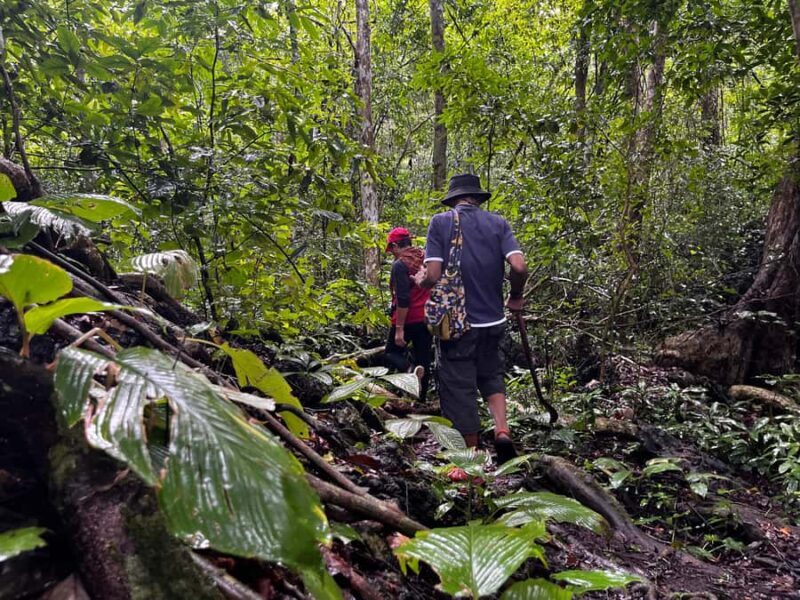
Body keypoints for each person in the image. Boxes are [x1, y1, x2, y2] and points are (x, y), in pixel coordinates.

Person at [419, 174, 528, 464]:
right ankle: (502, 430)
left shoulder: (441, 222)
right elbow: (518, 265)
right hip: (493, 321)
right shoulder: (498, 224)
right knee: (491, 374)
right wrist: (515, 295)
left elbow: (432, 275)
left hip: (457, 322)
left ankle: (471, 453)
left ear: (453, 198)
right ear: (477, 199)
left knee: (458, 383)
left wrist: (420, 281)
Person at [384, 227, 432, 402]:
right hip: (427, 317)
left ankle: (411, 372)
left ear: (396, 245)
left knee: (390, 352)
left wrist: (399, 329)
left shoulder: (400, 264)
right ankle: (421, 401)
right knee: (423, 359)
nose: (392, 254)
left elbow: (403, 299)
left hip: (408, 318)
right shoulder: (425, 257)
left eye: (391, 249)